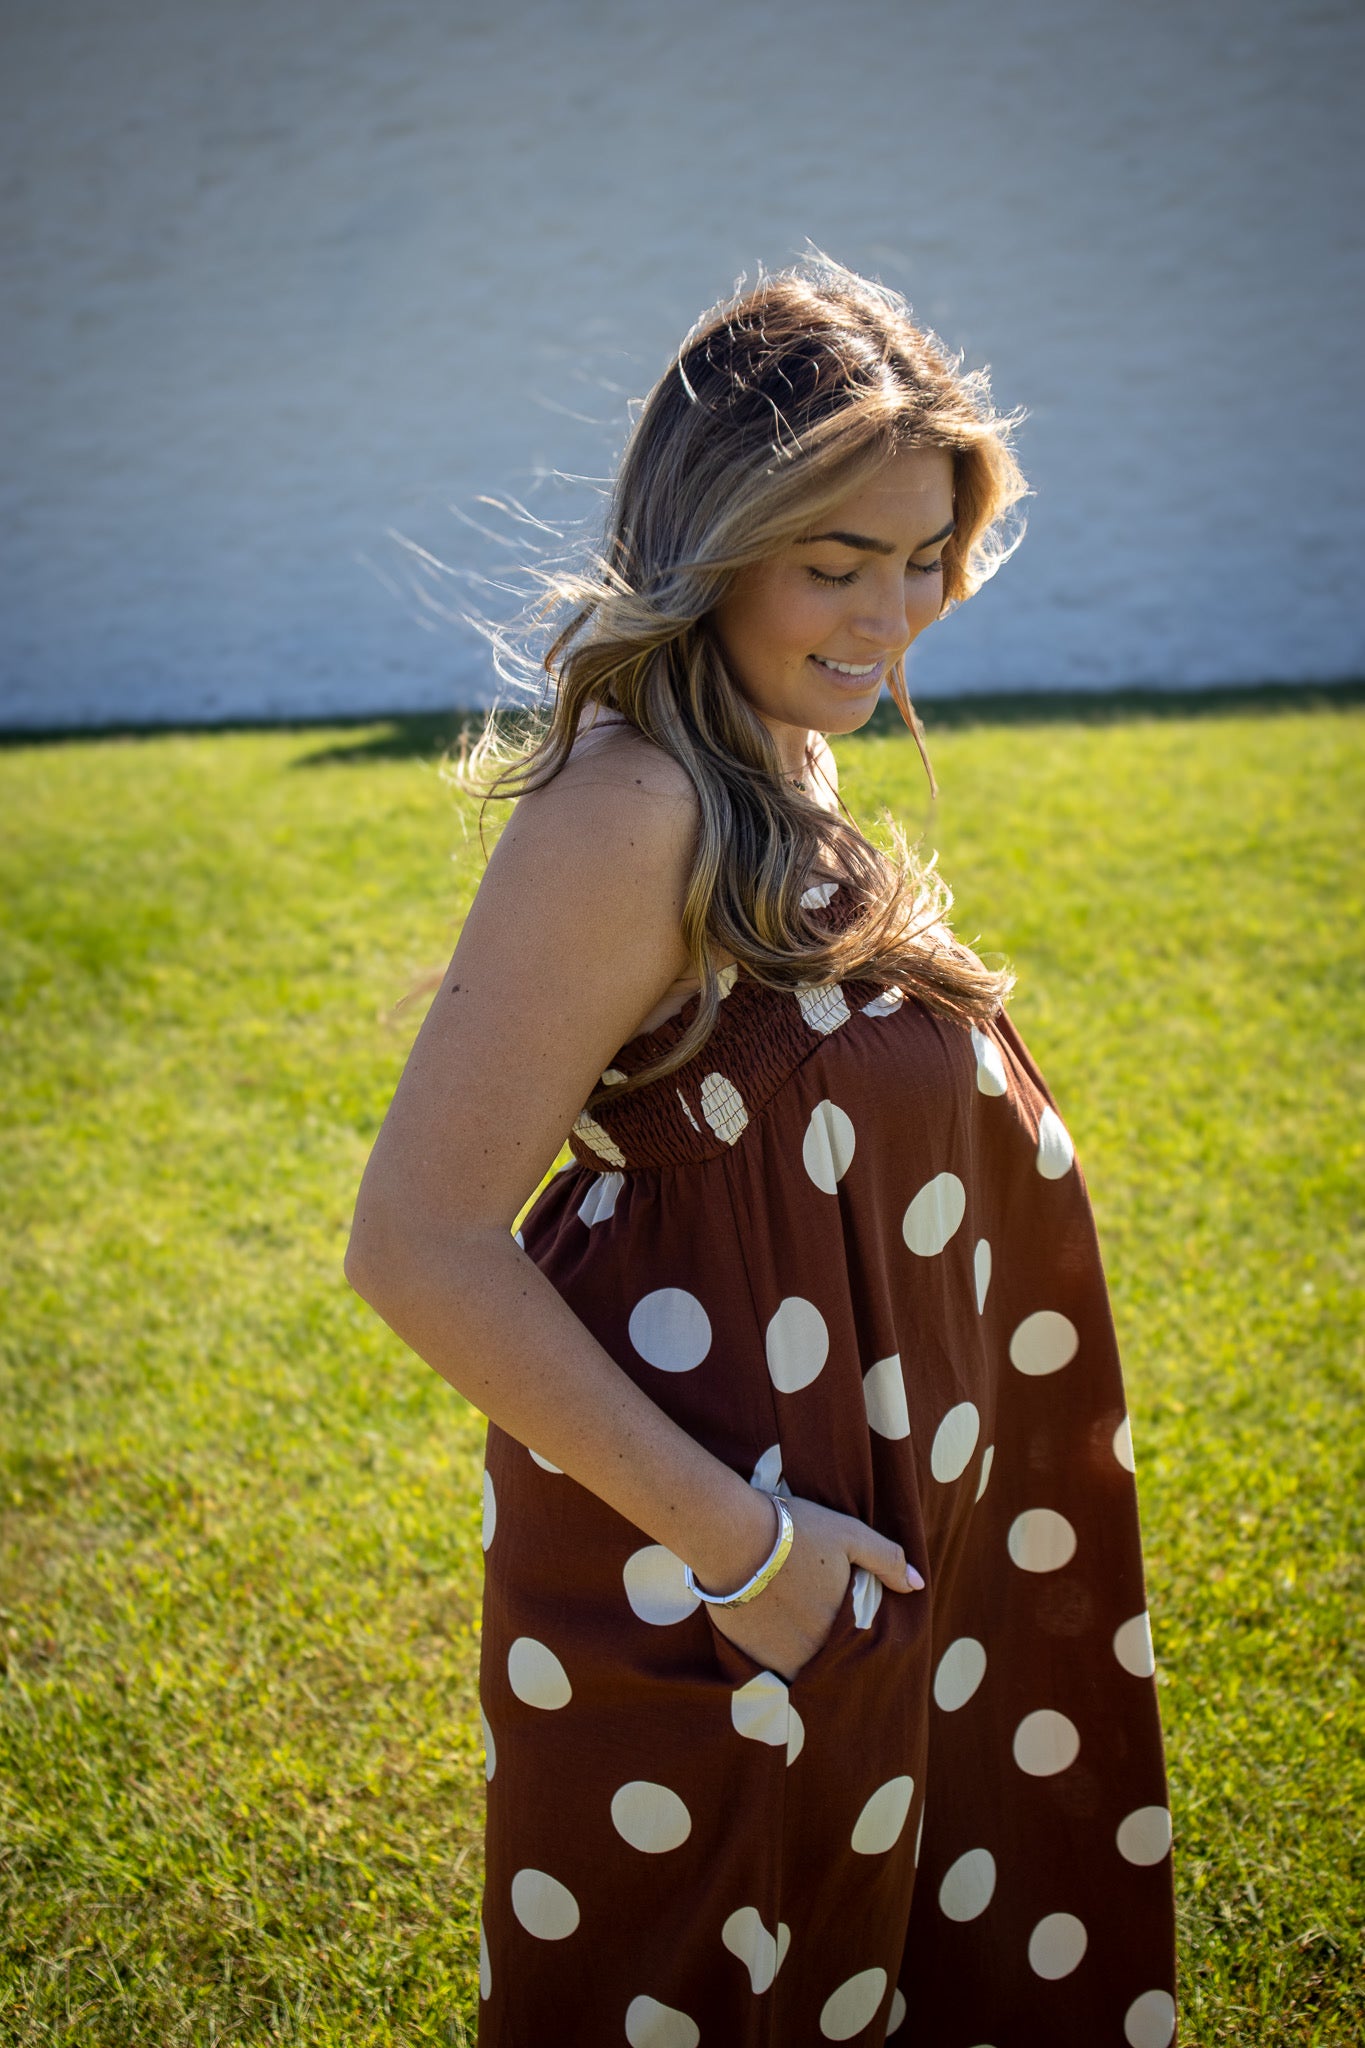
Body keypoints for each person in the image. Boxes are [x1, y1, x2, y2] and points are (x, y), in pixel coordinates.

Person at [344, 256, 1178, 2048]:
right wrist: (747, 1554)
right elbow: (414, 1239)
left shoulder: (773, 763)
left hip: (876, 1559)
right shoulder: (633, 802)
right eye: (837, 561)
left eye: (923, 556)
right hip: (727, 1579)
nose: (895, 611)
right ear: (710, 542)